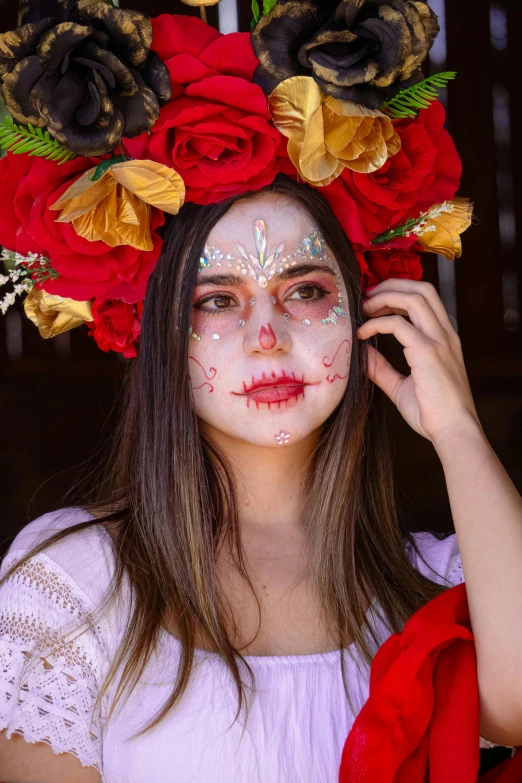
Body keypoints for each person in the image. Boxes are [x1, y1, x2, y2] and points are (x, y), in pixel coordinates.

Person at [0, 2, 521, 782]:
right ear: (157, 339)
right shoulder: (72, 581)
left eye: (305, 290)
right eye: (217, 300)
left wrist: (457, 431)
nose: (267, 333)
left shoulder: (443, 583)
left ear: (365, 310)